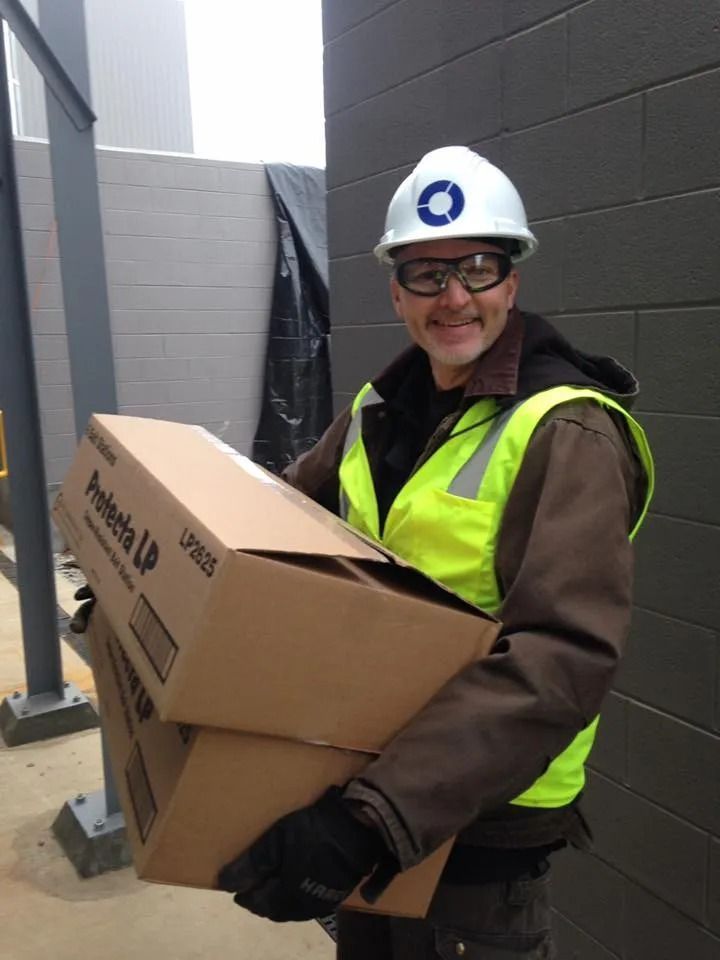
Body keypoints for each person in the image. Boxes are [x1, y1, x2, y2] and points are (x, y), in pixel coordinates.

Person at [80, 146, 654, 959]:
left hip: (475, 825)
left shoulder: (566, 431)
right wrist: (150, 592)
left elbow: (564, 657)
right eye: (426, 274)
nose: (453, 297)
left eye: (478, 268)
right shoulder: (378, 408)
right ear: (396, 292)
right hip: (360, 786)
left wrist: (370, 821)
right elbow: (271, 528)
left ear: (511, 281)